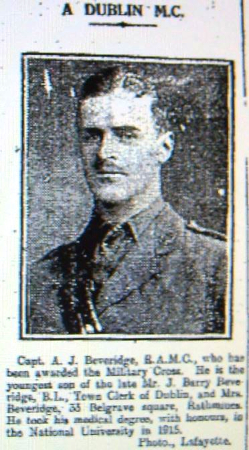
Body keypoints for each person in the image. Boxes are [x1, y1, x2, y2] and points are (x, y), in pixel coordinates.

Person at [28, 66, 226, 335]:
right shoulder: (43, 275)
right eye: (92, 136)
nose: (104, 152)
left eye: (126, 135)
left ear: (163, 148)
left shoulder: (216, 264)